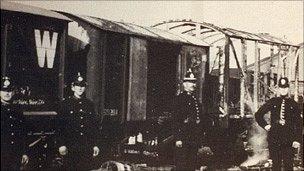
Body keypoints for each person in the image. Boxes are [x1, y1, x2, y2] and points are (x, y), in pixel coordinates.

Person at [255, 77, 302, 171]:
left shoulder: (294, 104)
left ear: (288, 88)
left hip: (289, 140)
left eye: (285, 88)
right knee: (276, 166)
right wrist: (266, 126)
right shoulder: (273, 102)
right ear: (278, 89)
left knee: (288, 166)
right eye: (281, 87)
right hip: (275, 140)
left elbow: (299, 124)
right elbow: (258, 114)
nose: (283, 90)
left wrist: (297, 140)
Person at [56, 72, 101, 170]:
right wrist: (61, 144)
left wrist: (95, 144)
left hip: (86, 147)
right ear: (73, 87)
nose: (80, 88)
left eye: (82, 86)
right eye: (77, 85)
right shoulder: (65, 104)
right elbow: (59, 126)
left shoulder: (89, 105)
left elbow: (94, 126)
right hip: (70, 147)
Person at [172, 69, 201, 171]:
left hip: (193, 137)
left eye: (194, 82)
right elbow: (176, 120)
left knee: (192, 163)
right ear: (185, 84)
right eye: (191, 82)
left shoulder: (194, 99)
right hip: (183, 137)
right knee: (182, 164)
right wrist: (178, 138)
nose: (193, 85)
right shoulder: (179, 99)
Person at [1, 76, 29, 170]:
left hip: (15, 154)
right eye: (4, 91)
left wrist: (24, 152)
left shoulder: (17, 110)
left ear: (13, 92)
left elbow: (23, 132)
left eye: (9, 91)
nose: (7, 93)